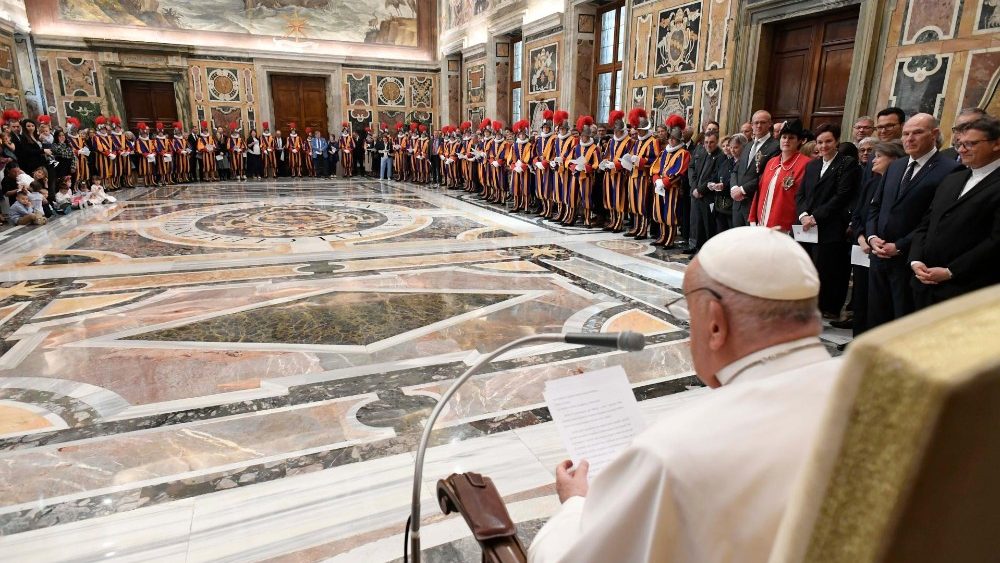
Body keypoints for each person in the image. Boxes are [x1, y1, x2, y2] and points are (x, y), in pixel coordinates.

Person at [529, 226, 840, 563]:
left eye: (690, 315)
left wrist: (575, 504)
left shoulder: (675, 452)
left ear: (715, 324)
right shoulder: (874, 396)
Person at [865, 113, 963, 329]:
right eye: (906, 133)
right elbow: (875, 206)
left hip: (911, 260)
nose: (909, 138)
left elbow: (935, 219)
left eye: (917, 132)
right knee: (877, 318)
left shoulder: (951, 170)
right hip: (879, 255)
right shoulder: (896, 166)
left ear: (934, 134)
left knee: (904, 321)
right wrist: (872, 237)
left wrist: (899, 246)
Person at [909, 115, 1000, 307]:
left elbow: (996, 241)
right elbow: (927, 222)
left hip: (968, 289)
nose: (961, 150)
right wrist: (916, 260)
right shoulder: (954, 178)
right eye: (960, 144)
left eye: (971, 144)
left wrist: (951, 271)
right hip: (925, 285)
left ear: (996, 144)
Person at [795, 123, 861, 320]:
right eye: (820, 142)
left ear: (837, 141)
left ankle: (824, 308)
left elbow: (842, 196)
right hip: (806, 226)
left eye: (828, 141)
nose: (823, 146)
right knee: (806, 267)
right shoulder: (812, 165)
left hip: (830, 226)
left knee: (826, 270)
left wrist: (815, 217)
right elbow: (801, 194)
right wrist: (803, 215)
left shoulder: (846, 164)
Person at [839, 140, 905, 335]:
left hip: (885, 250)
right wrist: (862, 237)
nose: (873, 160)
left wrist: (873, 240)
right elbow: (859, 214)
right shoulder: (871, 183)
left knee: (878, 301)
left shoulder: (900, 185)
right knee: (860, 296)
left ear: (894, 160)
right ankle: (857, 339)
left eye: (879, 156)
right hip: (863, 247)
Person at [749, 119, 810, 232]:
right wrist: (753, 217)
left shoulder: (806, 164)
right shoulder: (771, 162)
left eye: (791, 138)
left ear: (800, 141)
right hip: (762, 223)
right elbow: (759, 189)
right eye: (784, 137)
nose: (786, 141)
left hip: (786, 226)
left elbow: (805, 197)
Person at [731, 110, 780, 227]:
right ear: (752, 125)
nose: (758, 125)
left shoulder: (775, 146)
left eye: (762, 122)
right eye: (756, 123)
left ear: (769, 124)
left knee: (752, 242)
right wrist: (734, 187)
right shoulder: (748, 145)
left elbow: (767, 175)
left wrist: (743, 190)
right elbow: (736, 169)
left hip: (754, 201)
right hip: (738, 202)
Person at [650, 116, 690, 247]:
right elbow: (655, 168)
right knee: (660, 212)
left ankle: (670, 238)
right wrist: (656, 180)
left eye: (675, 139)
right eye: (671, 138)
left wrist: (665, 182)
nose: (672, 141)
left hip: (672, 189)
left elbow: (680, 172)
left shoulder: (683, 153)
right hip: (660, 187)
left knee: (670, 214)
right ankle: (662, 235)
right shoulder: (664, 152)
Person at [687, 129, 723, 252]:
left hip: (708, 197)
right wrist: (694, 188)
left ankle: (706, 252)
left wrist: (700, 190)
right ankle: (697, 249)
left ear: (717, 141)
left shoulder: (720, 157)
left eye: (711, 142)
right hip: (696, 194)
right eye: (706, 142)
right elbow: (695, 173)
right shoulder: (703, 154)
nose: (708, 145)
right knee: (698, 225)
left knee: (708, 227)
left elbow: (714, 176)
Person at [625, 109, 659, 239]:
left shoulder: (652, 141)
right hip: (633, 175)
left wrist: (642, 161)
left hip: (644, 177)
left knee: (642, 204)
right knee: (633, 203)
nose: (637, 131)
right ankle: (636, 227)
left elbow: (656, 160)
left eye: (639, 129)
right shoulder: (637, 141)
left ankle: (643, 229)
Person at [599, 111, 633, 232]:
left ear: (623, 130)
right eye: (615, 131)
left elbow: (629, 159)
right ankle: (613, 220)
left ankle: (619, 222)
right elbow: (607, 154)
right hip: (609, 173)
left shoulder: (629, 142)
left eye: (618, 131)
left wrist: (617, 164)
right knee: (609, 198)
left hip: (621, 174)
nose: (616, 133)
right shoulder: (611, 141)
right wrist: (605, 162)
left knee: (619, 198)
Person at [564, 116, 600, 226]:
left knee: (586, 198)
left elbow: (597, 164)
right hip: (575, 175)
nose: (584, 138)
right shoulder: (576, 147)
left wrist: (587, 167)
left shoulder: (594, 148)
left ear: (589, 136)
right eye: (582, 135)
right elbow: (568, 160)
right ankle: (571, 217)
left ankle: (587, 219)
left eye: (586, 136)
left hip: (587, 177)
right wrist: (572, 166)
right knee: (572, 196)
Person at [713, 133, 740, 235]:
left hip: (731, 203)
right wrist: (713, 184)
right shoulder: (723, 161)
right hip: (720, 203)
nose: (726, 148)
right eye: (723, 146)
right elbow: (716, 176)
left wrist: (724, 185)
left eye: (728, 145)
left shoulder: (737, 161)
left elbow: (734, 180)